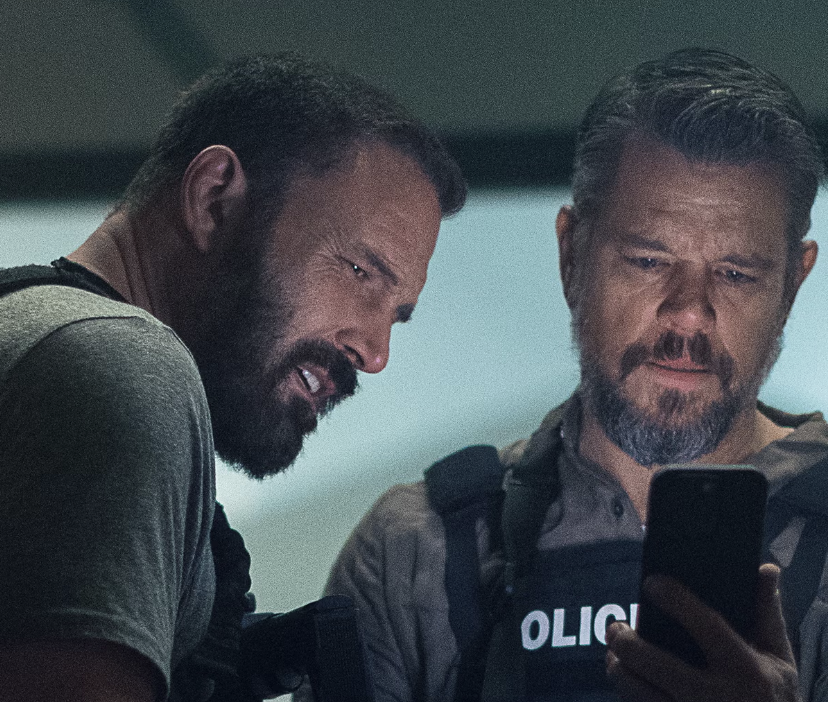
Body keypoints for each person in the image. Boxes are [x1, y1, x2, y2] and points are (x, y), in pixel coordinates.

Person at [314, 48, 827, 702]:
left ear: (792, 285)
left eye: (735, 274)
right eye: (648, 262)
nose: (689, 314)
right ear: (570, 256)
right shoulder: (416, 551)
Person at [0, 53, 466, 701]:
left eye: (397, 315)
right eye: (360, 272)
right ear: (214, 198)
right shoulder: (119, 366)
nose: (374, 352)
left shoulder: (32, 330)